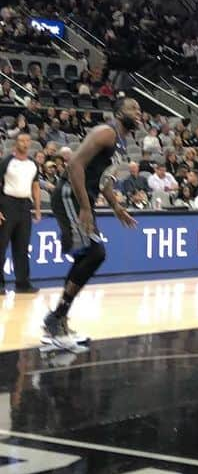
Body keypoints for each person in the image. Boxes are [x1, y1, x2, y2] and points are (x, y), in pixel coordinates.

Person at [43, 98, 141, 351]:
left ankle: (57, 320)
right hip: (70, 195)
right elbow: (75, 164)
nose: (138, 113)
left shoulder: (120, 141)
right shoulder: (106, 132)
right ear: (119, 112)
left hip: (83, 198)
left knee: (88, 255)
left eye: (140, 110)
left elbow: (103, 179)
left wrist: (116, 206)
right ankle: (56, 319)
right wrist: (86, 207)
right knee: (95, 252)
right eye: (133, 108)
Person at [0, 133, 42, 293]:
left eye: (27, 141)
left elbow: (36, 187)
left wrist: (37, 210)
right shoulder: (6, 162)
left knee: (22, 247)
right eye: (21, 141)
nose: (24, 143)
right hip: (7, 204)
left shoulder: (33, 164)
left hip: (25, 206)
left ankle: (22, 283)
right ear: (15, 143)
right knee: (1, 246)